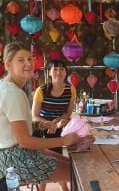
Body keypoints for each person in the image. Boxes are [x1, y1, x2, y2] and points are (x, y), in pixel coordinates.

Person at [0, 42, 78, 191]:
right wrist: (64, 140)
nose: (28, 63)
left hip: (15, 153)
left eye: (30, 59)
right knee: (78, 172)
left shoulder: (7, 86)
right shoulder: (13, 93)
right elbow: (24, 142)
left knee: (72, 165)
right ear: (8, 65)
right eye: (21, 60)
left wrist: (39, 125)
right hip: (15, 159)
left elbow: (14, 125)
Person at [31, 59, 77, 191]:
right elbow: (34, 115)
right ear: (49, 73)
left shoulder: (70, 90)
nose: (58, 72)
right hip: (41, 129)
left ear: (66, 72)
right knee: (43, 164)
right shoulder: (42, 90)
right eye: (55, 69)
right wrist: (47, 124)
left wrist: (59, 121)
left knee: (56, 163)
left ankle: (64, 187)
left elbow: (68, 113)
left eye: (62, 69)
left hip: (57, 129)